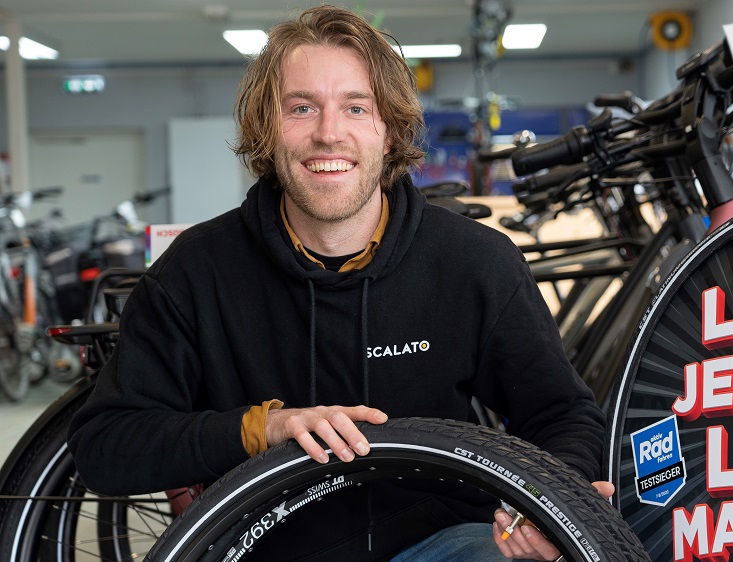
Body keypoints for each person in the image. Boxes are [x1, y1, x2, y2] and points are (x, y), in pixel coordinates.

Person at [68, 4, 609, 561]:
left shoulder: (475, 262)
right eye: (301, 108)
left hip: (442, 544)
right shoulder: (195, 270)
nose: (329, 134)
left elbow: (561, 415)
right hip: (265, 551)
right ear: (267, 128)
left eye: (356, 107)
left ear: (389, 130)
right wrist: (263, 429)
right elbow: (105, 446)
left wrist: (551, 505)